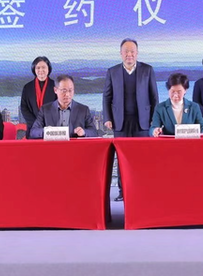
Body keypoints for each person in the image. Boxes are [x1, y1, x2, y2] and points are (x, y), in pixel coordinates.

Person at [103, 38, 159, 201]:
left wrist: (154, 120)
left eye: (132, 51)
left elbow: (154, 97)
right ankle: (123, 192)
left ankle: (142, 190)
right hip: (120, 122)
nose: (129, 54)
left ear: (137, 53)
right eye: (126, 51)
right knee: (122, 158)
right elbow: (106, 97)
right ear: (121, 53)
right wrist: (107, 118)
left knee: (142, 157)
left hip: (143, 121)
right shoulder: (112, 71)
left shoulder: (147, 70)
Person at [29, 74, 97, 139]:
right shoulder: (45, 109)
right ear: (55, 90)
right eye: (64, 91)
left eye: (70, 90)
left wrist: (84, 132)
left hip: (75, 146)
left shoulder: (83, 110)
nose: (67, 94)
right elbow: (33, 132)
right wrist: (47, 131)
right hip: (53, 146)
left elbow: (94, 132)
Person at [20, 56, 57, 139]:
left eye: (44, 67)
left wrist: (47, 125)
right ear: (34, 69)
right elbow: (24, 108)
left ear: (49, 69)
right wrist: (36, 124)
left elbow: (60, 106)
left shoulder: (56, 86)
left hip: (51, 129)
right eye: (38, 68)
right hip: (33, 129)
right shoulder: (27, 87)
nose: (41, 70)